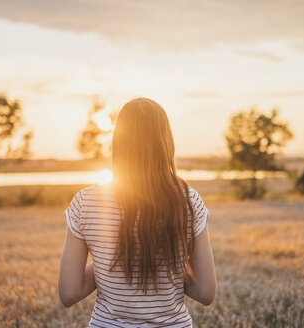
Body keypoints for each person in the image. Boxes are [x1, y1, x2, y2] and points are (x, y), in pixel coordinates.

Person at [58, 97, 216, 327]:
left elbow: (69, 292)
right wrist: (162, 262)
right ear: (166, 143)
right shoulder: (189, 201)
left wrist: (107, 265)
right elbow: (205, 291)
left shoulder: (86, 203)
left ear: (119, 142)